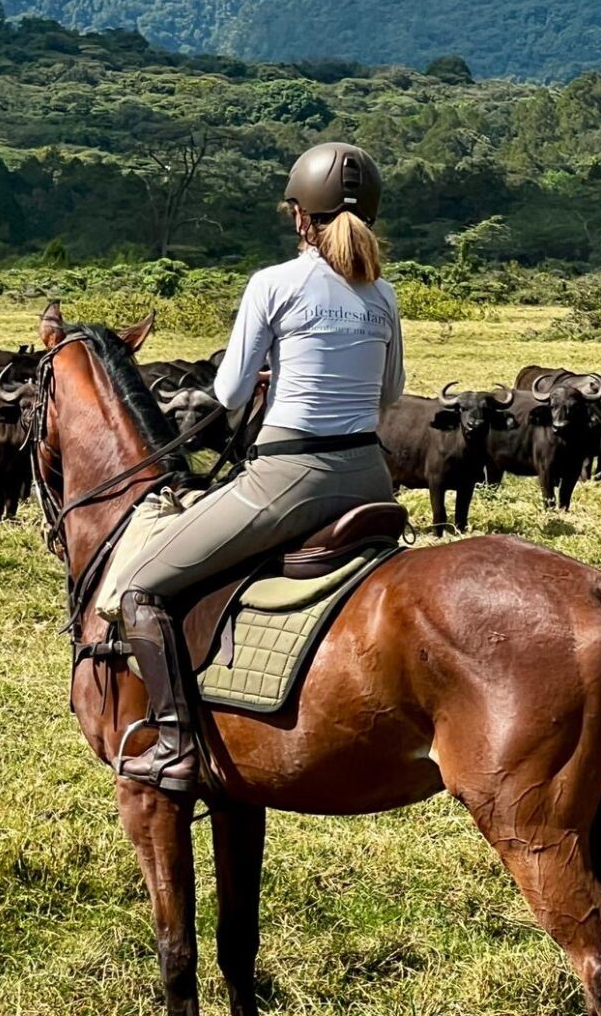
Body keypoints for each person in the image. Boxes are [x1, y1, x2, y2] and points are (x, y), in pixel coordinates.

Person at [119, 142, 405, 792]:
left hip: (290, 481)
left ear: (301, 216)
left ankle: (174, 742)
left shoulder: (274, 284)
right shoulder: (381, 291)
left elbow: (226, 393)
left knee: (141, 586)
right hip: (370, 478)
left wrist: (268, 378)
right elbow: (388, 395)